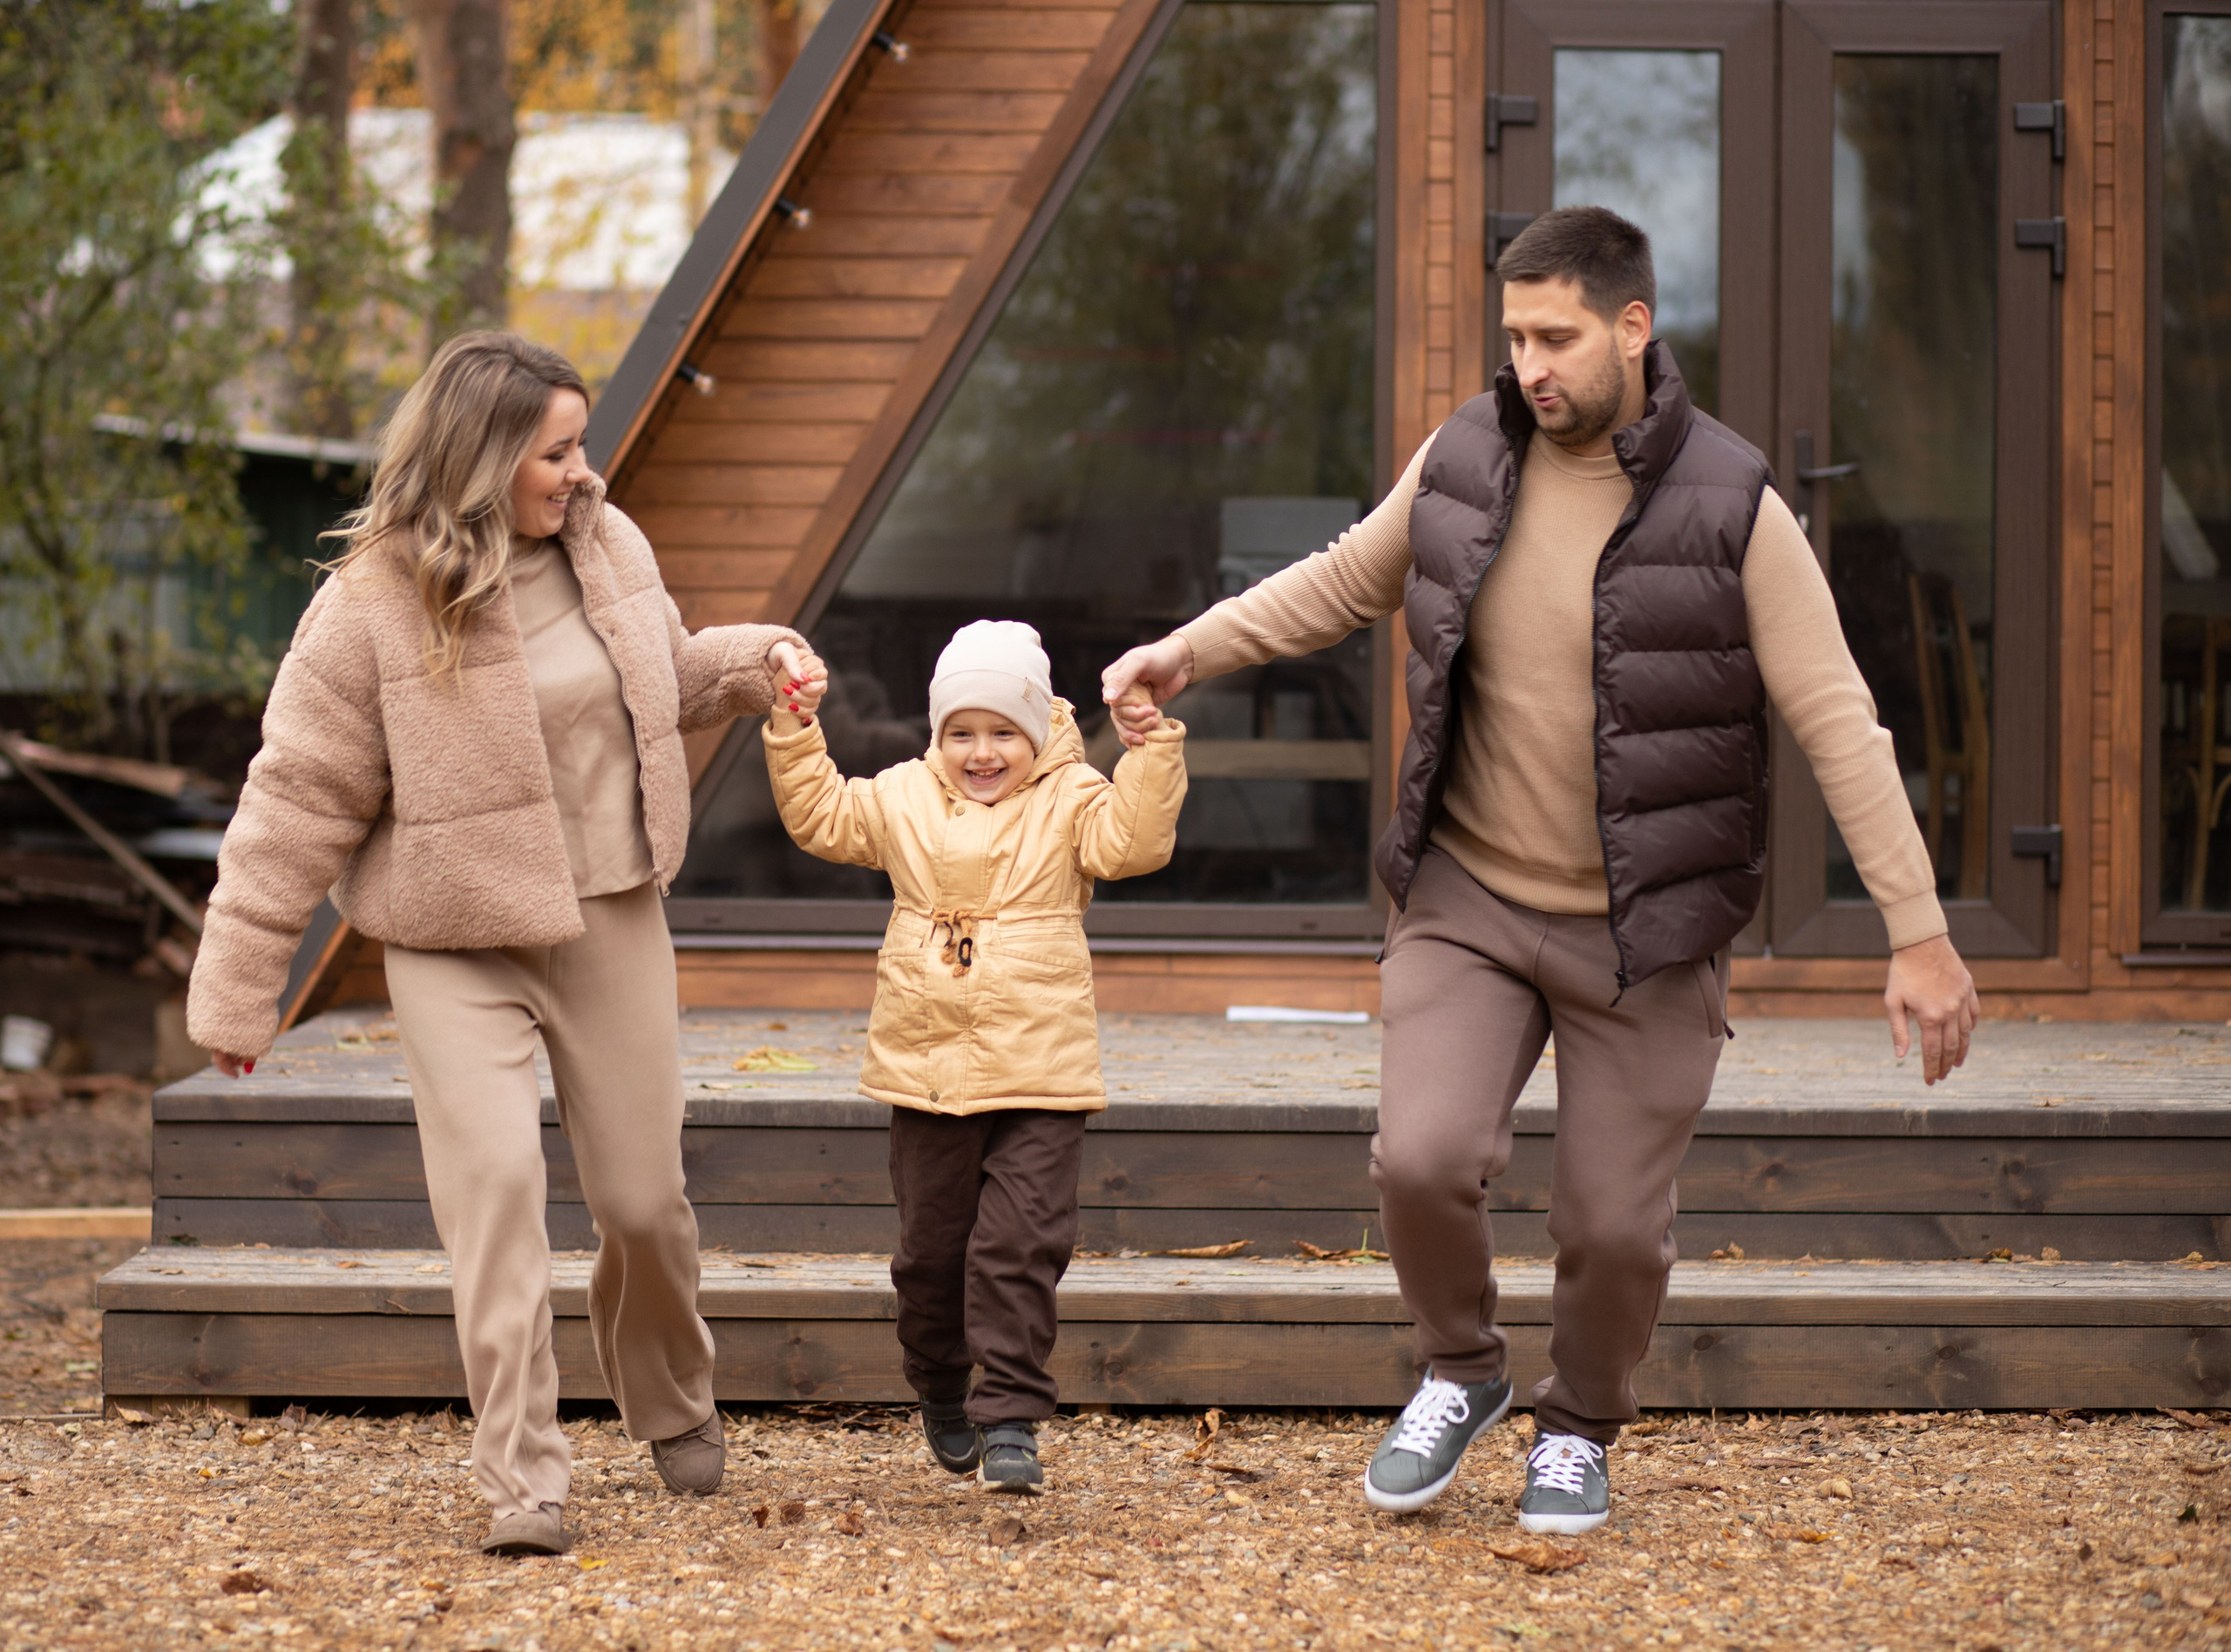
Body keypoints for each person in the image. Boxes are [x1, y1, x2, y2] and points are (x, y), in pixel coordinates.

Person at [1102, 207, 1979, 1532]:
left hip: (1649, 928)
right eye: (1515, 337)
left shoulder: (1735, 504)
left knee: (1614, 1229)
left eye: (1557, 336)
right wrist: (1189, 650)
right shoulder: (1467, 455)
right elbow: (1348, 578)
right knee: (1422, 1157)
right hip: (1469, 894)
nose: (1532, 366)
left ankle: (1580, 1423)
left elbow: (1838, 722)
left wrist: (1918, 933)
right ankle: (1460, 1371)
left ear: (1633, 326)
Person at [184, 332, 826, 1555]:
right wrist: (237, 990)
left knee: (643, 1205)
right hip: (453, 941)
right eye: (557, 452)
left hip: (611, 916)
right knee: (497, 1198)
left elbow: (657, 682)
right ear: (480, 459)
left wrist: (756, 662)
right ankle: (525, 1480)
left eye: (581, 446)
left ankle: (672, 1397)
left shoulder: (609, 544)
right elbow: (295, 800)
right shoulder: (370, 602)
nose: (582, 473)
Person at [763, 621, 1187, 1491]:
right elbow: (821, 816)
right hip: (927, 1068)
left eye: (1003, 733)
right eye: (961, 732)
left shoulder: (1074, 798)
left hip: (1040, 1069)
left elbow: (1133, 843)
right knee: (931, 1255)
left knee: (1020, 1247)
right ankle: (942, 1386)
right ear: (935, 735)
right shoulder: (901, 796)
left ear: (1037, 731)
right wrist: (795, 731)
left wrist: (1148, 753)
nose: (981, 752)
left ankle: (1011, 1420)